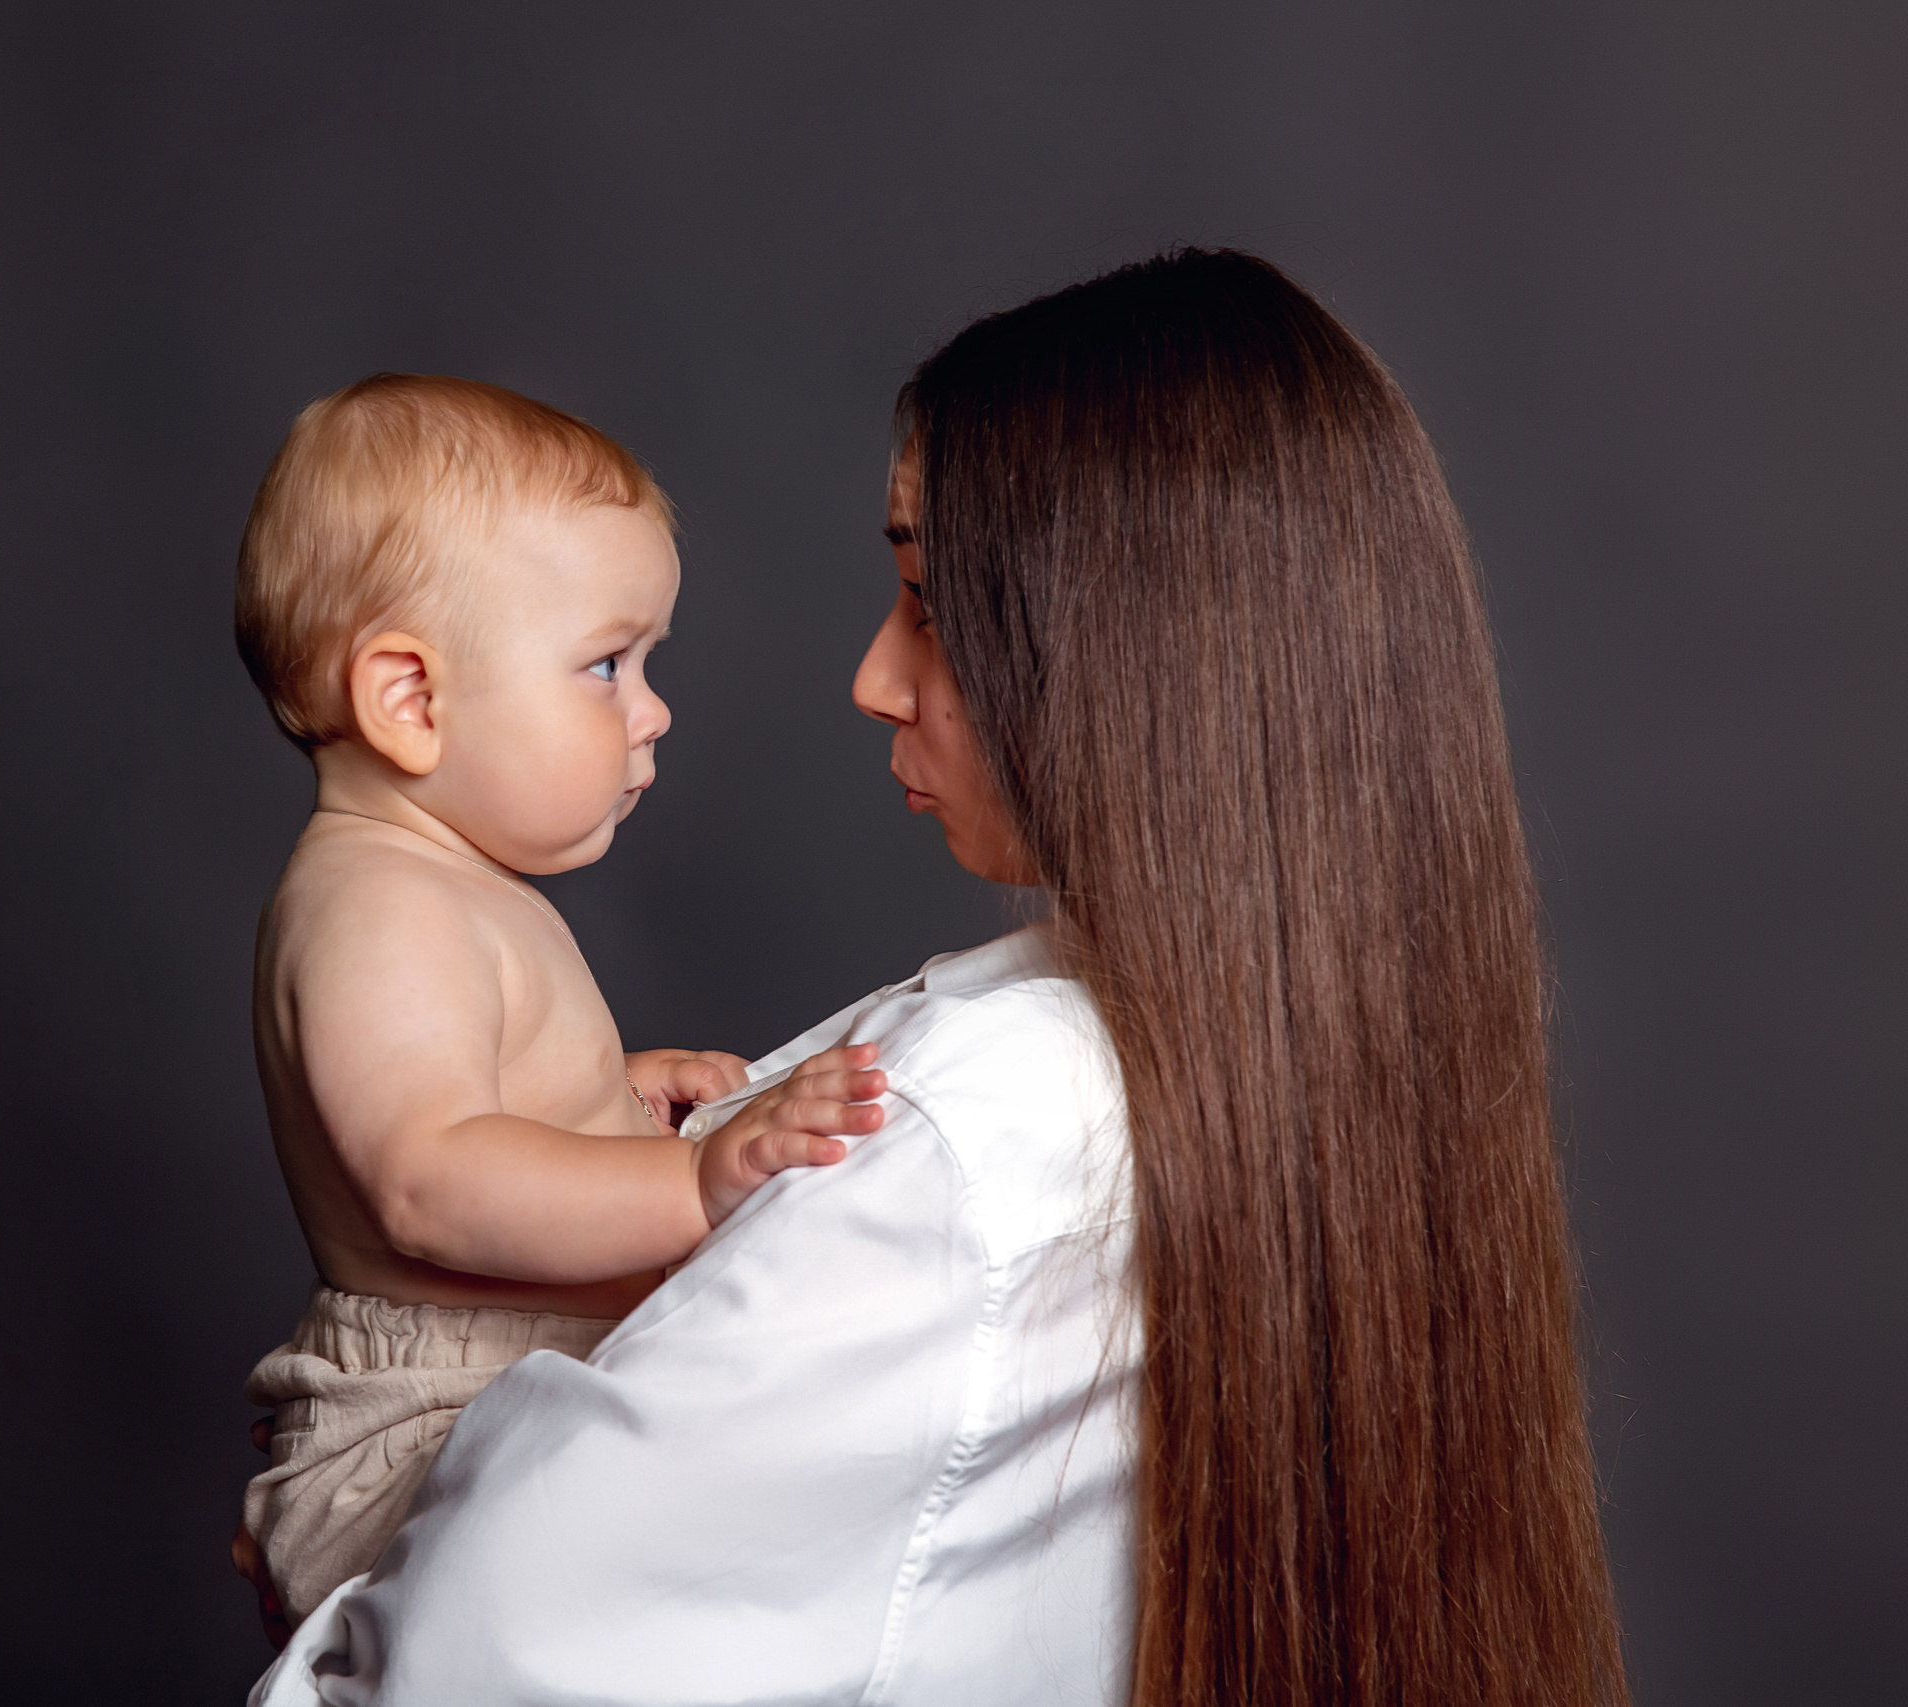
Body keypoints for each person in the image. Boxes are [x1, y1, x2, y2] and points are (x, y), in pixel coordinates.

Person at [249, 251, 1627, 1706]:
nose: (871, 675)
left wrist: (340, 1615)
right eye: (605, 664)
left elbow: (433, 1675)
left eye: (925, 598)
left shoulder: (974, 1140)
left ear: (1122, 641)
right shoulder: (1256, 1054)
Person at [230, 374, 889, 1630]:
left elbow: (462, 1101)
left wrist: (602, 1097)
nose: (653, 711)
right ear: (409, 701)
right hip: (432, 1423)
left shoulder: (438, 881)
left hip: (503, 1386)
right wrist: (690, 1186)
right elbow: (429, 1179)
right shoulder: (380, 906)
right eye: (604, 664)